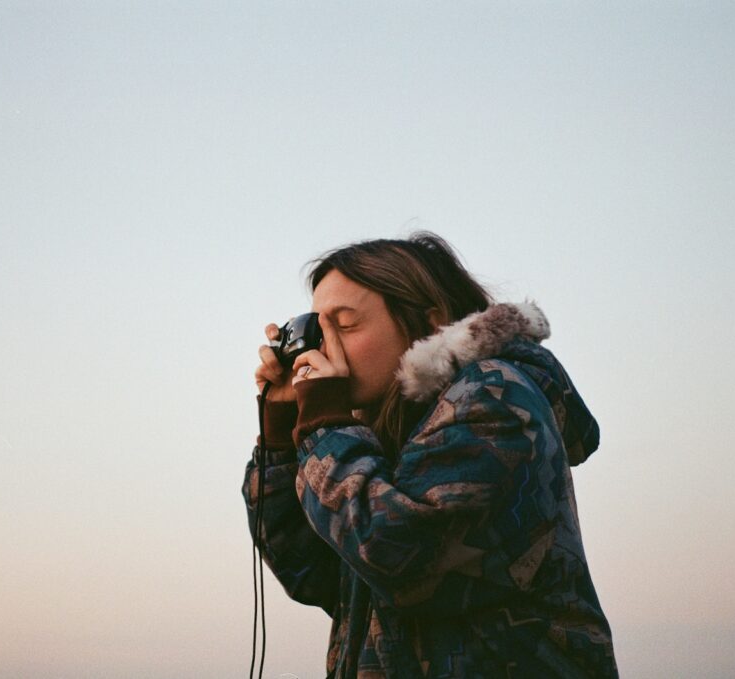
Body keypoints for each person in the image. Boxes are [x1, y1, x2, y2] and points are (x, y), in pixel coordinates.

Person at [243, 233, 618, 678]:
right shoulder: (385, 436)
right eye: (317, 330)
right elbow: (315, 573)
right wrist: (282, 438)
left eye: (343, 326)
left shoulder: (495, 396)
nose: (324, 348)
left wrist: (323, 424)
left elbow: (396, 554)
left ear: (430, 324)